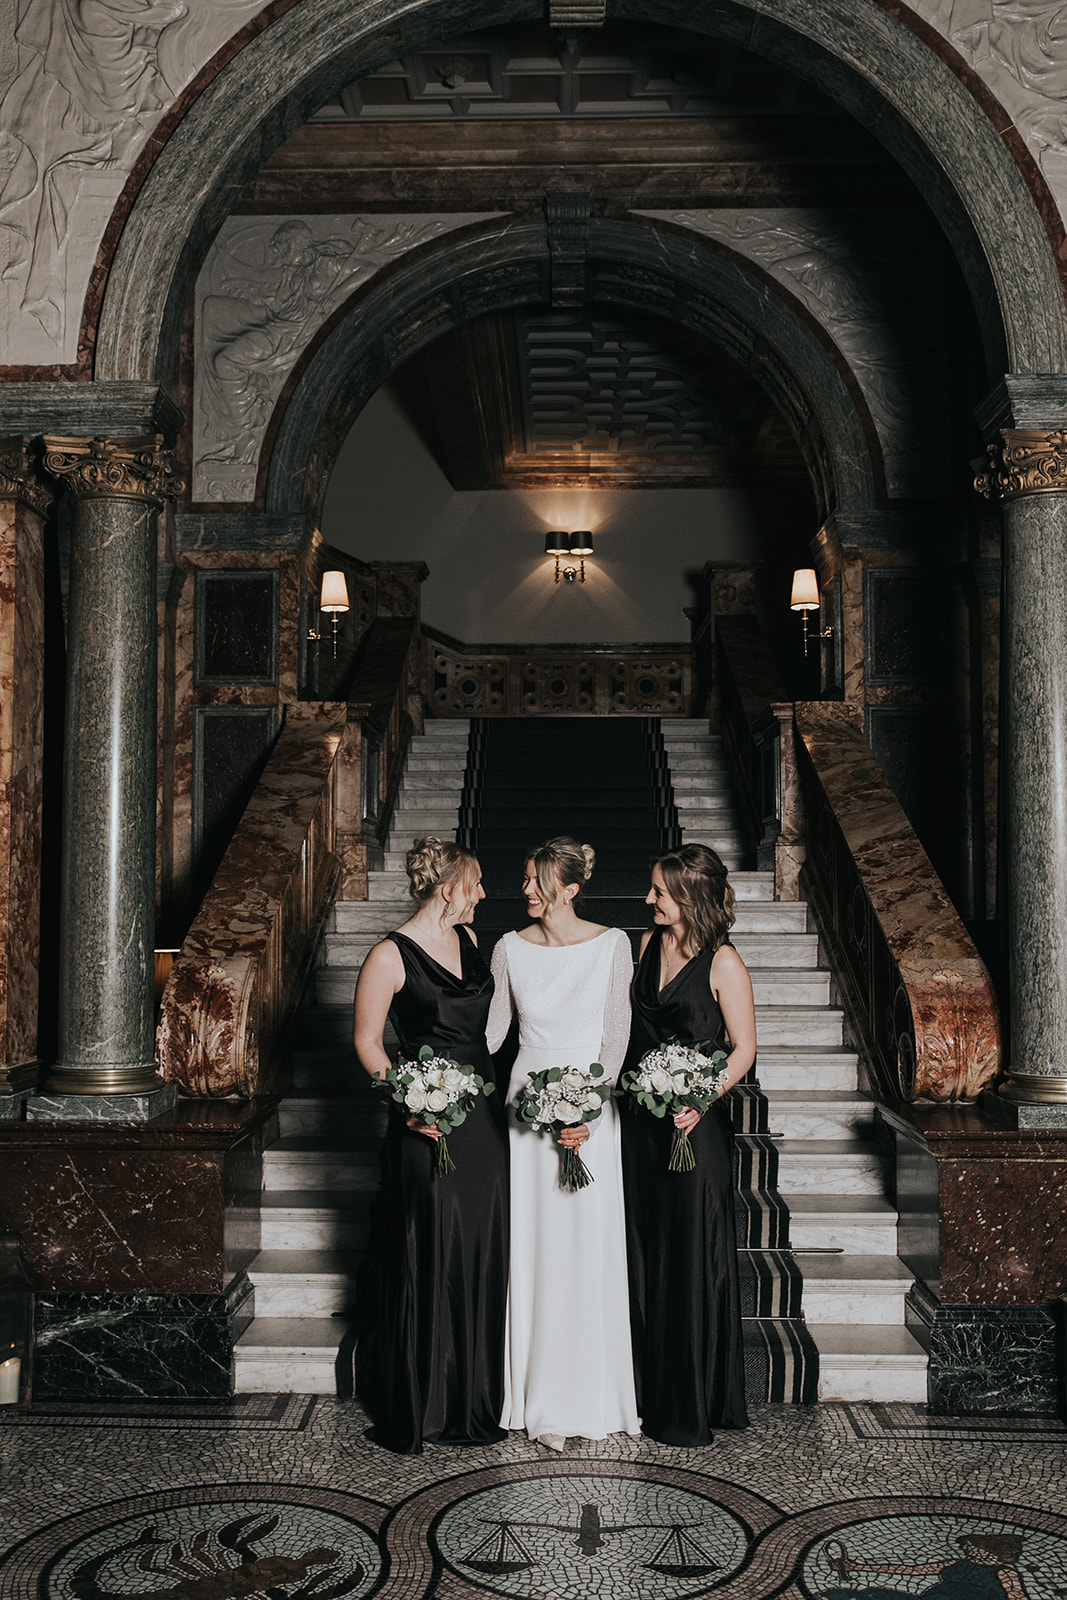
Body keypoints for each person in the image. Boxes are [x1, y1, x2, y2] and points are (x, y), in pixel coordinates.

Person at [353, 836, 508, 1454]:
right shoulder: (388, 955)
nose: (483, 894)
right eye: (475, 884)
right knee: (431, 1246)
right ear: (448, 889)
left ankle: (473, 1400)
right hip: (427, 1120)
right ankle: (427, 1402)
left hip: (483, 1117)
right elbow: (368, 1043)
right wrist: (411, 1104)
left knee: (479, 1243)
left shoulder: (471, 941)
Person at [486, 836, 640, 1451]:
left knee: (584, 1245)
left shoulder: (613, 945)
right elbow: (493, 1033)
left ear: (569, 889)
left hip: (590, 1102)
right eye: (525, 878)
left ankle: (593, 1395)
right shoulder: (507, 948)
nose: (525, 889)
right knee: (535, 1244)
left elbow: (617, 1034)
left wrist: (592, 1108)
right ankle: (537, 1398)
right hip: (525, 1102)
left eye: (536, 881)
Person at [621, 842, 756, 1445]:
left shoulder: (724, 963)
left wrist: (702, 1097)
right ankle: (643, 1392)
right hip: (642, 1127)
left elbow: (744, 1049)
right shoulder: (646, 945)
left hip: (695, 1130)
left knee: (689, 1255)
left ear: (688, 896)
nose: (648, 898)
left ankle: (690, 1399)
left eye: (659, 891)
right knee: (644, 1251)